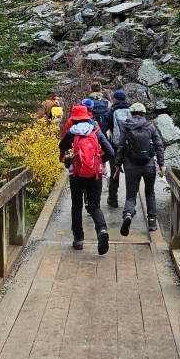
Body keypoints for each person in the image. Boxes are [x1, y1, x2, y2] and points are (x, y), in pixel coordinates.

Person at [59, 104, 115, 255]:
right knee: (95, 206)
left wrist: (67, 160)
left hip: (76, 175)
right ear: (87, 117)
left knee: (77, 206)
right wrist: (99, 161)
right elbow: (110, 151)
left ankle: (78, 240)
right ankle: (102, 230)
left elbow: (62, 147)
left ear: (74, 119)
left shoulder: (71, 132)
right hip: (95, 174)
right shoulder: (96, 131)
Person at [114, 103, 166, 236]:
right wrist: (161, 164)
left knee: (131, 195)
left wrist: (118, 164)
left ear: (131, 114)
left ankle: (128, 215)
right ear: (144, 114)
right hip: (148, 165)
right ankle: (152, 222)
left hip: (131, 165)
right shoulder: (150, 126)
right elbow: (159, 145)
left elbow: (121, 147)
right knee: (150, 193)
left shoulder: (126, 126)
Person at [106, 89, 132, 208]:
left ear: (115, 99)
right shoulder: (131, 110)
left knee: (114, 173)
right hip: (128, 146)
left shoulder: (111, 112)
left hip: (115, 146)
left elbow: (108, 127)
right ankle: (129, 202)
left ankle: (113, 199)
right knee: (130, 174)